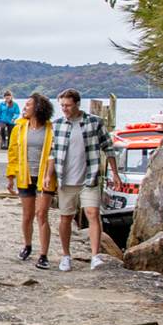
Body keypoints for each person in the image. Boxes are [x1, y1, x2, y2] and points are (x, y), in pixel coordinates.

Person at [50, 89, 121, 271]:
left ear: (77, 104)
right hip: (66, 180)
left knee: (92, 213)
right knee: (65, 217)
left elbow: (108, 148)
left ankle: (95, 256)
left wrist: (115, 173)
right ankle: (66, 256)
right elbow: (52, 154)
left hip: (89, 177)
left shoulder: (94, 122)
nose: (64, 109)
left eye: (68, 105)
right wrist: (47, 176)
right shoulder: (57, 125)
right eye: (62, 105)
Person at [3, 93, 56, 266]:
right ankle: (27, 245)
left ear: (38, 108)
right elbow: (12, 152)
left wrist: (50, 174)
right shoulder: (19, 128)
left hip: (45, 177)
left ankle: (44, 254)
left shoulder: (50, 129)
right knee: (27, 215)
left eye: (28, 105)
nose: (24, 107)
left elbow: (53, 154)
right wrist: (10, 176)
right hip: (25, 175)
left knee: (42, 214)